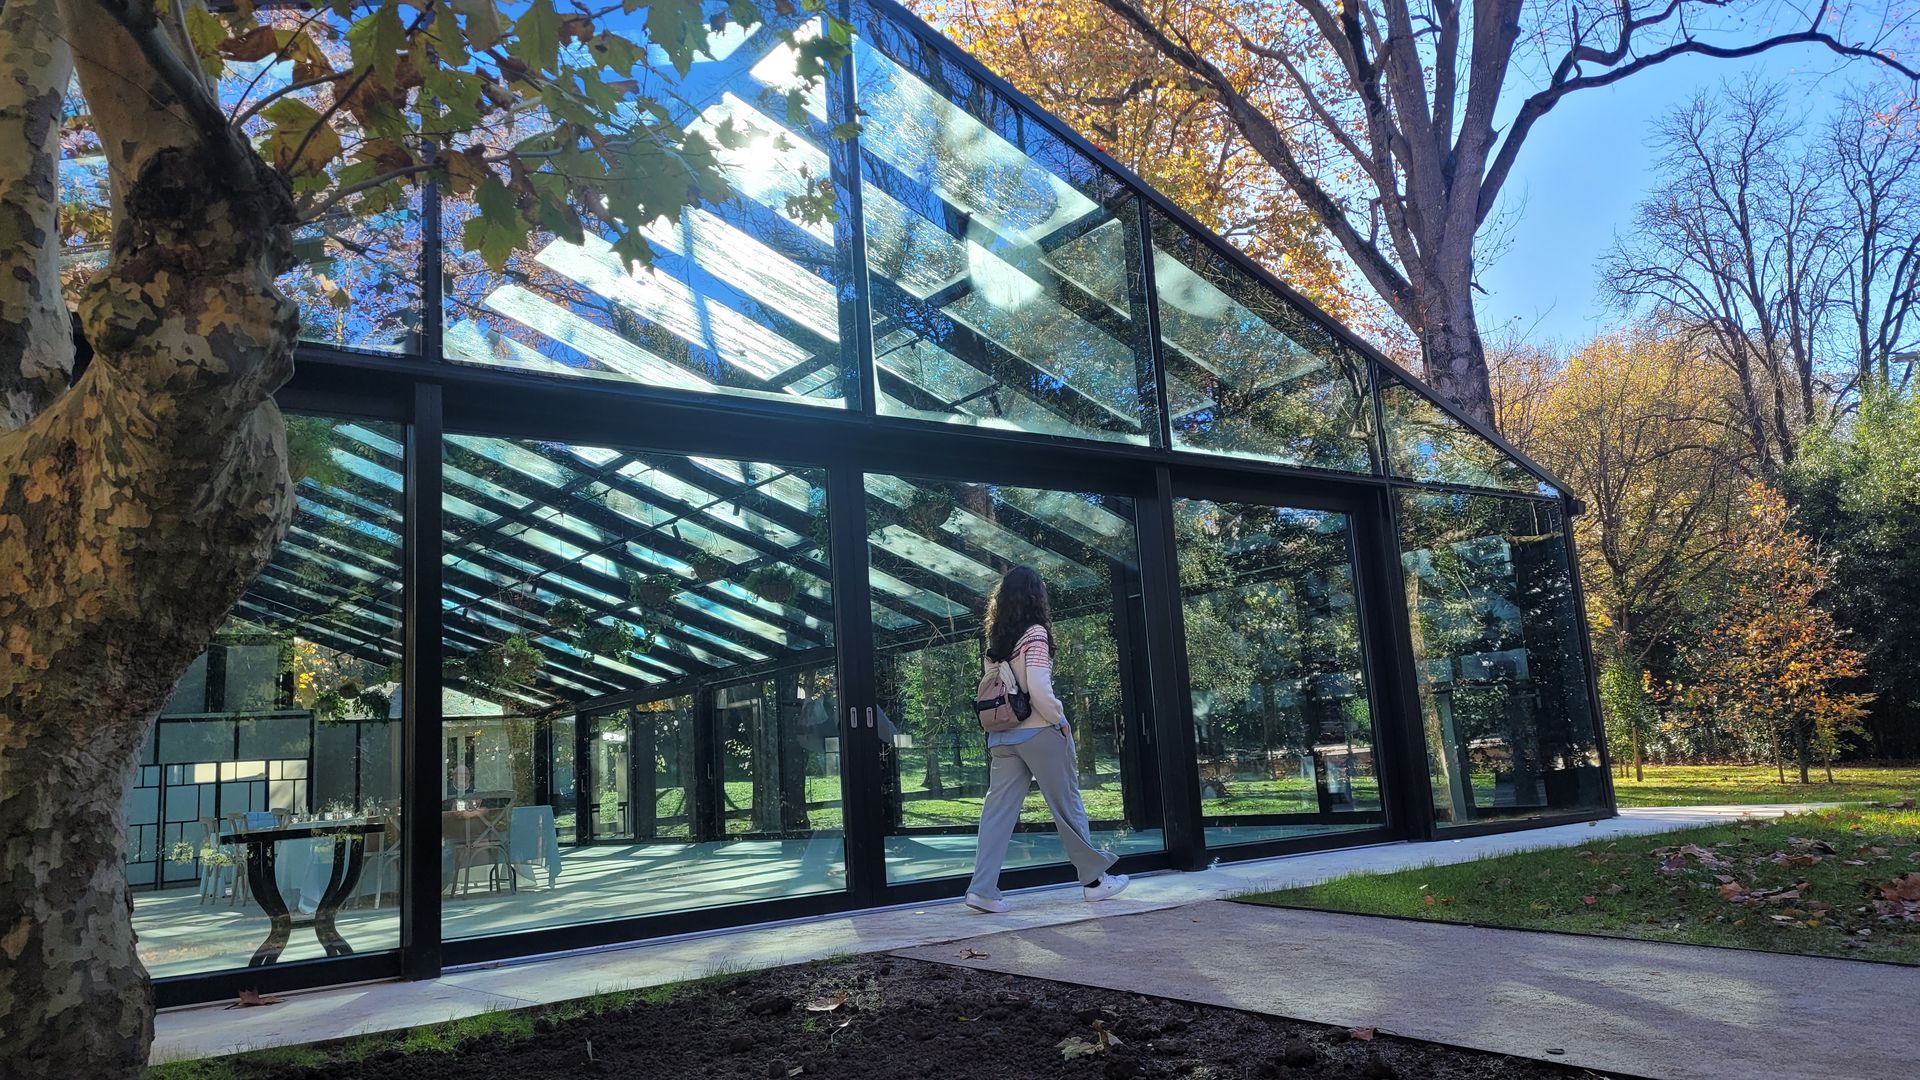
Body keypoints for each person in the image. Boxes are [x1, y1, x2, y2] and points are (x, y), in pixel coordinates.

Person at [965, 565, 1129, 913]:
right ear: (1035, 596)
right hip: (1039, 732)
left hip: (1002, 737)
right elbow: (1038, 687)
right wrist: (1059, 718)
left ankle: (982, 890)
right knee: (1067, 806)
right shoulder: (1035, 634)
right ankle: (1095, 883)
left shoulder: (997, 639)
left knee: (997, 813)